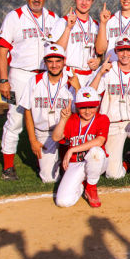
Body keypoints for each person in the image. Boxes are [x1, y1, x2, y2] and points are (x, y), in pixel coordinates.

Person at [0, 0, 59, 180]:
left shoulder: (52, 18)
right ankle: (8, 167)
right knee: (15, 119)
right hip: (21, 74)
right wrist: (3, 79)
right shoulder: (14, 17)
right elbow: (2, 50)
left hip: (44, 74)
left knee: (47, 118)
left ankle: (45, 158)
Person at [89, 37, 130, 191]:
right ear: (116, 52)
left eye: (128, 50)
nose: (125, 54)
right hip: (111, 123)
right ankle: (129, 161)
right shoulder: (107, 69)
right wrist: (99, 73)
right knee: (113, 175)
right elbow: (90, 95)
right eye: (121, 50)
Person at [18, 44, 76, 183]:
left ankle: (65, 160)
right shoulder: (35, 81)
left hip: (66, 132)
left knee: (74, 173)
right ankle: (53, 163)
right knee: (49, 179)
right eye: (50, 61)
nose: (54, 65)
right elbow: (27, 111)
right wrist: (33, 140)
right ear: (45, 62)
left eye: (58, 61)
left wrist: (78, 87)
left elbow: (83, 111)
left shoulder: (71, 81)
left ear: (64, 62)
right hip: (44, 132)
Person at [52, 86, 109, 208]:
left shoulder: (102, 119)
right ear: (77, 107)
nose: (88, 111)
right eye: (83, 107)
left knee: (96, 152)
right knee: (63, 202)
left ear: (97, 105)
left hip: (98, 163)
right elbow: (56, 137)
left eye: (92, 106)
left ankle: (91, 187)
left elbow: (99, 141)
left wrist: (72, 149)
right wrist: (63, 120)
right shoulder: (72, 119)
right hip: (76, 163)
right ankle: (82, 184)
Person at [52, 0, 101, 86]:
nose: (84, 3)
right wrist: (68, 28)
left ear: (92, 1)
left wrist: (98, 60)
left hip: (90, 76)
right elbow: (56, 50)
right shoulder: (63, 21)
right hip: (69, 75)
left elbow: (100, 51)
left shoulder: (96, 25)